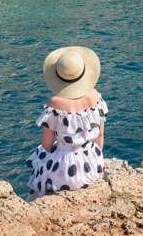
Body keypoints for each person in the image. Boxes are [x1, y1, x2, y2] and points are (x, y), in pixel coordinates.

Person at [26, 46, 107, 201]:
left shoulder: (54, 104)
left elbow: (47, 145)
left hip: (65, 172)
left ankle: (35, 201)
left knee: (40, 155)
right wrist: (98, 160)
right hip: (92, 167)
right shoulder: (96, 97)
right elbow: (100, 135)